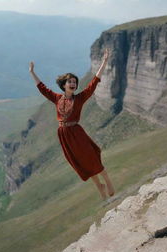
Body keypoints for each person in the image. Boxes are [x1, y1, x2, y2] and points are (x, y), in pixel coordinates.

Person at [29, 49, 115, 200]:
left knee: (91, 157)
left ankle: (107, 181)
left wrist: (104, 62)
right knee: (81, 162)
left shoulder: (80, 98)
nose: (73, 84)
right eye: (70, 82)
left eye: (75, 82)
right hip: (64, 135)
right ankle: (99, 187)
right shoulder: (56, 98)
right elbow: (42, 88)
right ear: (64, 85)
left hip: (76, 132)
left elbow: (94, 82)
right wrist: (32, 72)